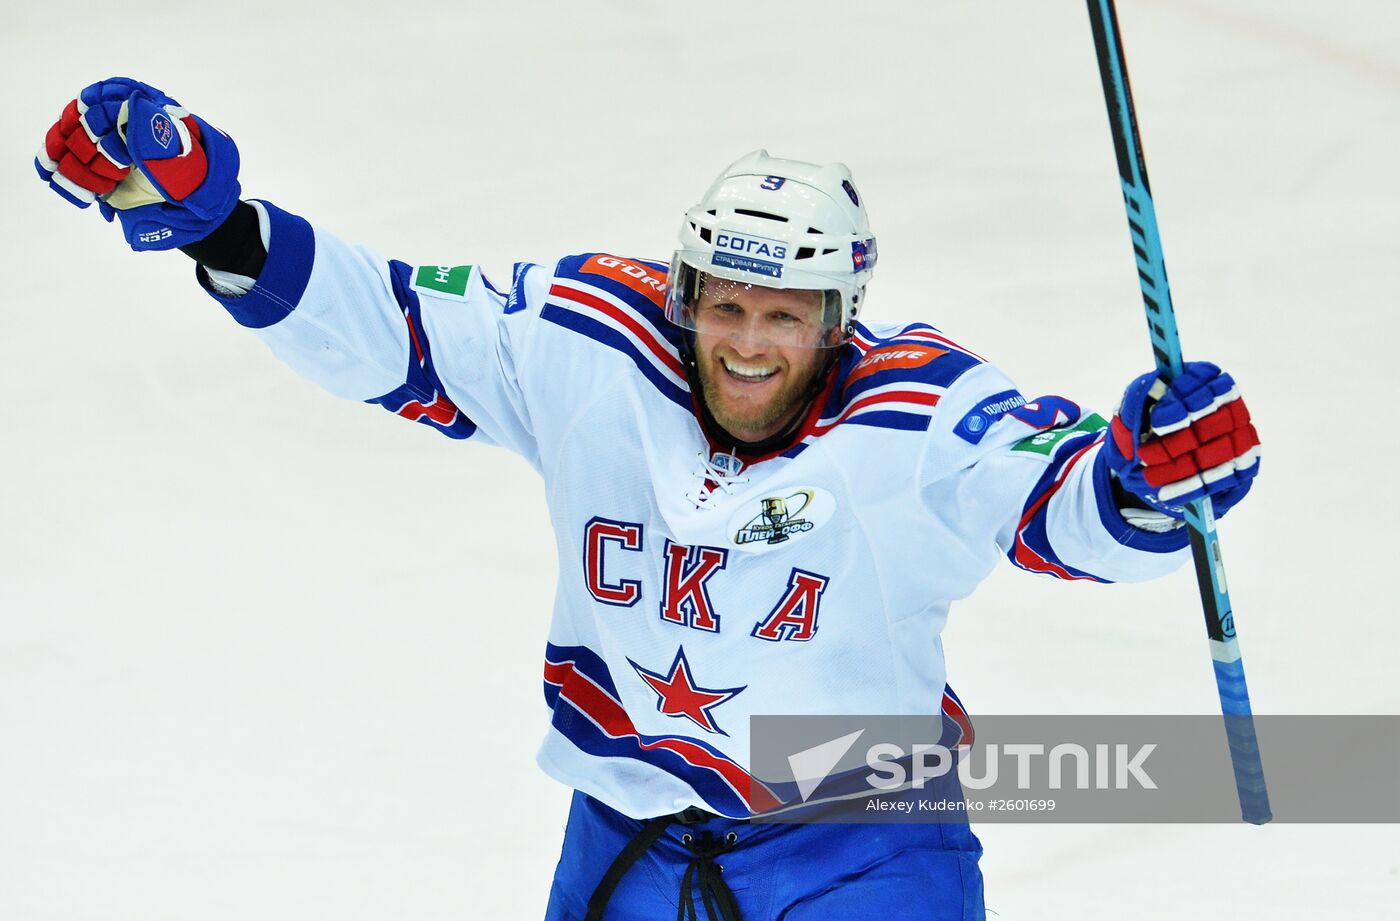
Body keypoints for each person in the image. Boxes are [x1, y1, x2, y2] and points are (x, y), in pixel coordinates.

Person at [35, 78, 1260, 920]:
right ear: (684, 291)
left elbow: (1060, 503)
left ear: (837, 319)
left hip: (862, 843)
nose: (744, 342)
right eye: (723, 303)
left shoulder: (918, 413)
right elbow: (393, 323)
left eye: (782, 316)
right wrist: (226, 230)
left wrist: (1151, 480)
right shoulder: (590, 341)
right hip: (624, 832)